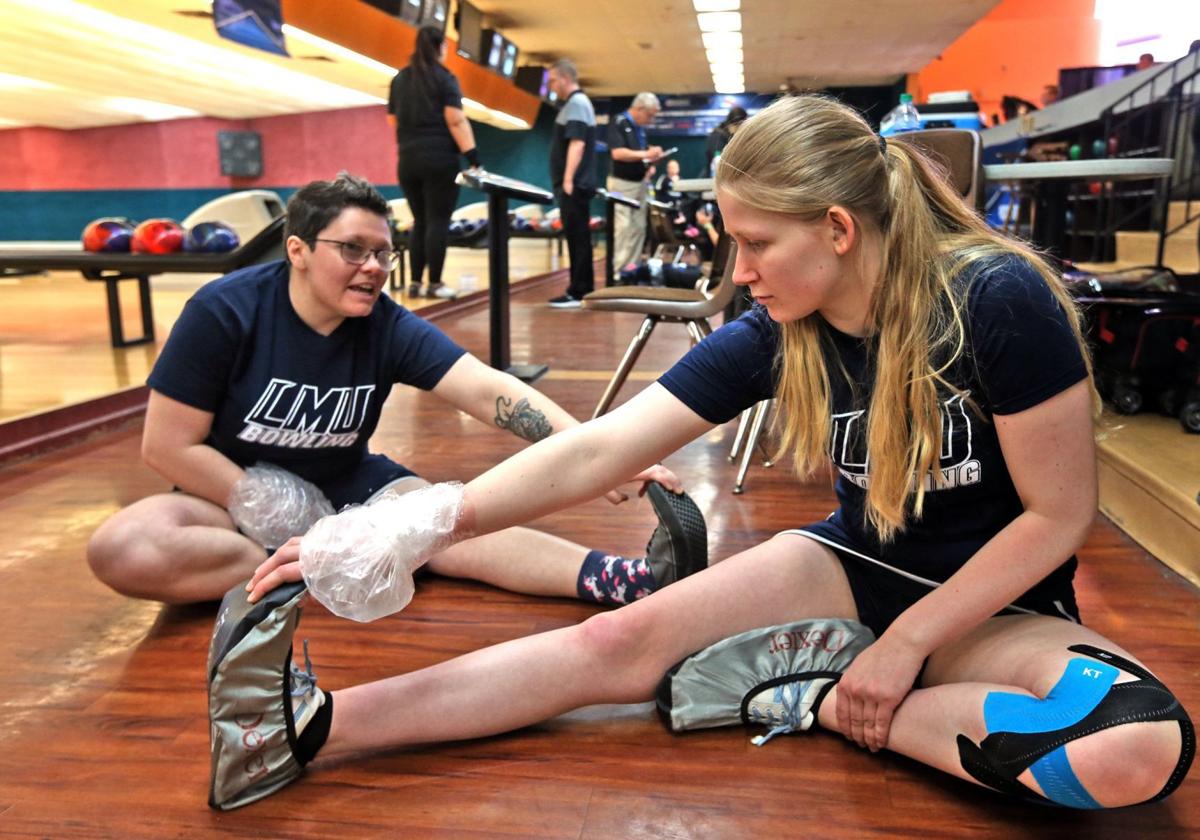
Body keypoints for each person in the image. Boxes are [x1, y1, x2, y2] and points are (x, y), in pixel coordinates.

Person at [214, 97, 1194, 812]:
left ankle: (816, 695)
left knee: (1131, 747)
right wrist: (419, 522)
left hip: (995, 602)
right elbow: (597, 449)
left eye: (756, 243)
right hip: (849, 567)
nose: (740, 272)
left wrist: (897, 654)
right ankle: (316, 724)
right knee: (608, 643)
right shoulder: (785, 326)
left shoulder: (996, 300)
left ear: (840, 230)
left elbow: (1057, 517)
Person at [86, 173, 707, 607]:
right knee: (124, 548)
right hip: (232, 497)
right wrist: (263, 502)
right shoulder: (224, 311)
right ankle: (328, 567)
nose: (373, 268)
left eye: (384, 253)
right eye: (352, 250)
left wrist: (603, 455)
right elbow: (166, 448)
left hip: (354, 488)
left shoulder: (386, 323)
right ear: (297, 250)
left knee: (450, 519)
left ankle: (623, 582)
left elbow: (492, 394)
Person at [387, 25, 477, 301]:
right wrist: (474, 159)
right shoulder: (445, 78)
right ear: (440, 48)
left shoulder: (400, 79)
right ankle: (435, 284)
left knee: (421, 221)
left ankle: (414, 283)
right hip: (440, 160)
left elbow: (393, 120)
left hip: (408, 160)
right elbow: (455, 120)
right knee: (438, 221)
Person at [545, 59, 599, 309]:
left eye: (553, 80)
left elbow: (577, 143)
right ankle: (581, 289)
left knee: (577, 238)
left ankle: (578, 291)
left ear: (565, 78)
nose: (551, 86)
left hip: (573, 184)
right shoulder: (577, 103)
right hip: (576, 184)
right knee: (578, 238)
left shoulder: (576, 103)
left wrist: (567, 179)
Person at [606, 92, 665, 278]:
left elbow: (638, 156)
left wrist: (650, 163)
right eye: (650, 115)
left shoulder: (639, 128)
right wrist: (646, 155)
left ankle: (633, 267)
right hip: (622, 184)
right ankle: (619, 271)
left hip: (639, 182)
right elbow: (618, 153)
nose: (651, 119)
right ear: (639, 108)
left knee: (639, 227)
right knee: (624, 228)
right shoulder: (620, 122)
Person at [704, 105, 747, 174]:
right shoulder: (717, 135)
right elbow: (717, 157)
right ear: (730, 124)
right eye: (737, 126)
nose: (740, 130)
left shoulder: (741, 136)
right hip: (717, 175)